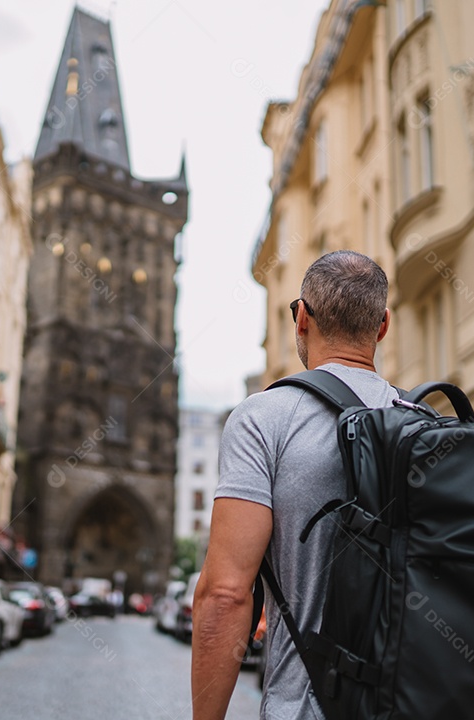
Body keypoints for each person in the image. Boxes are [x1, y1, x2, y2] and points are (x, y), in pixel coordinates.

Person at [191, 251, 397, 720]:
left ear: (301, 317)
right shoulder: (421, 423)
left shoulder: (263, 419)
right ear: (382, 326)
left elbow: (225, 594)